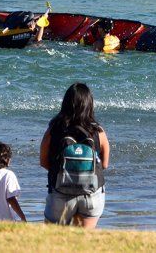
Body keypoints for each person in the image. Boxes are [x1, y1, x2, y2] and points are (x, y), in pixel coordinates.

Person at [39, 83, 110, 228]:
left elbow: (43, 161)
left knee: (54, 241)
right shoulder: (98, 131)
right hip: (90, 194)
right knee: (84, 242)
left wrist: (63, 174)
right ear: (89, 104)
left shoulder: (54, 130)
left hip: (60, 194)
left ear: (65, 103)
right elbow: (104, 164)